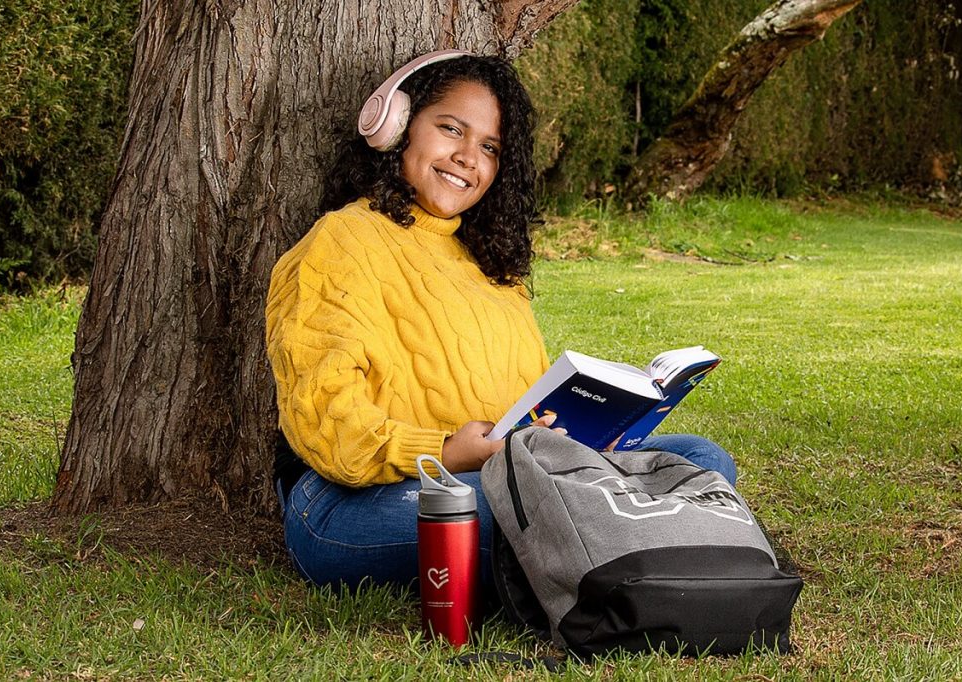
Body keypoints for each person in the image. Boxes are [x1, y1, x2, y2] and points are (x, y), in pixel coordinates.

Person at [265, 52, 736, 592]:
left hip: (501, 475)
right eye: (451, 130)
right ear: (397, 126)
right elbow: (329, 430)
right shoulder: (338, 244)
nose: (468, 157)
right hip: (347, 504)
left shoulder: (492, 266)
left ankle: (612, 545)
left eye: (489, 147)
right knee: (518, 513)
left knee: (702, 458)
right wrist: (445, 452)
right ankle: (646, 547)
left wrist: (586, 436)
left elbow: (527, 408)